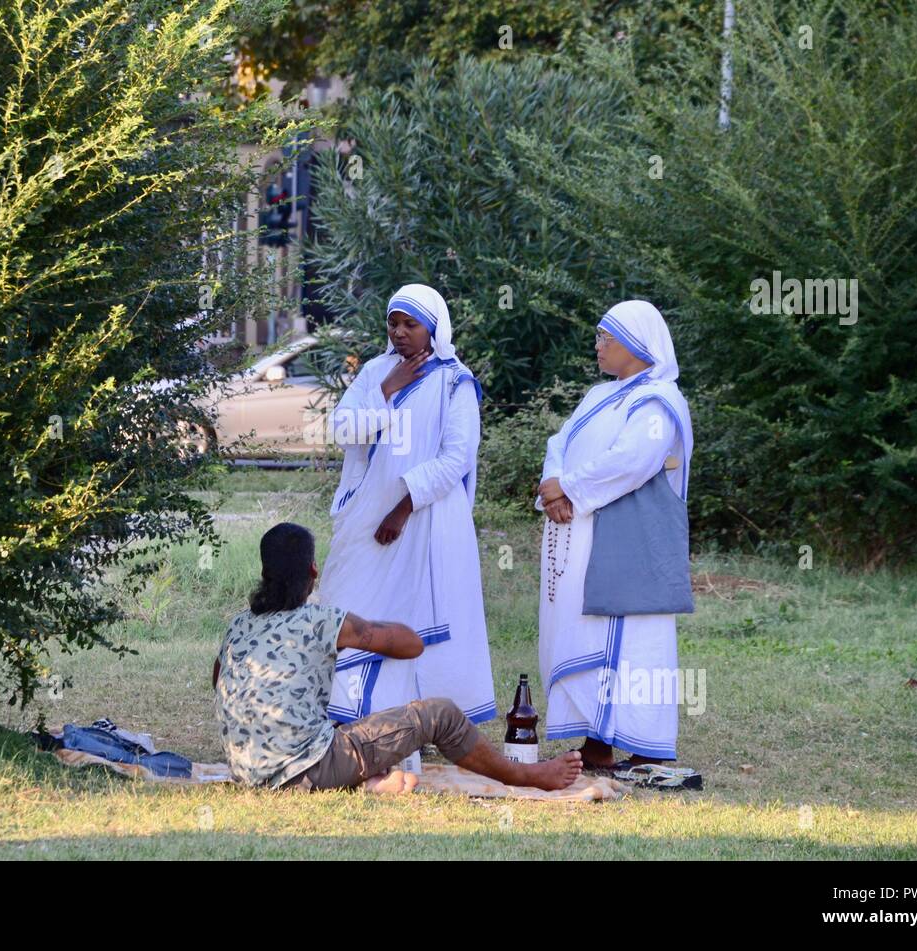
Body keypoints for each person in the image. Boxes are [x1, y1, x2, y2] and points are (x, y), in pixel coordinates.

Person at [213, 523, 583, 792]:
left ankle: (373, 783)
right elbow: (410, 644)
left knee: (350, 726)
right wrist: (366, 618)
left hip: (248, 770)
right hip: (307, 767)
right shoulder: (322, 620)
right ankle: (526, 775)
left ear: (264, 574)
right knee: (440, 714)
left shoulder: (238, 625)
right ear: (313, 570)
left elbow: (221, 680)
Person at [318, 284, 496, 727]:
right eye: (393, 323)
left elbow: (457, 457)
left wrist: (403, 507)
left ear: (433, 328)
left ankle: (430, 724)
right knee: (349, 602)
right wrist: (386, 390)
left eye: (410, 324)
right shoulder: (375, 371)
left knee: (421, 614)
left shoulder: (455, 380)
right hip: (365, 517)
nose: (399, 332)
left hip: (428, 517)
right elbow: (341, 429)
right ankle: (349, 713)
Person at [534, 300, 694, 769]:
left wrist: (569, 488)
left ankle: (645, 747)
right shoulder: (599, 395)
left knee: (635, 640)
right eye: (599, 337)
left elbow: (633, 460)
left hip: (627, 545)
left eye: (607, 338)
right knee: (578, 633)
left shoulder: (659, 400)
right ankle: (594, 743)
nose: (598, 346)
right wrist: (553, 487)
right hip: (576, 532)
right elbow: (558, 443)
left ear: (638, 345)